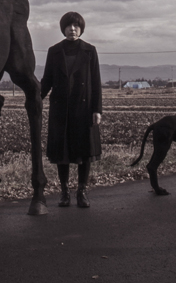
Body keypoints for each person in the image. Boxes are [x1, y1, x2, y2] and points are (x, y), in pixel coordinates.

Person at [41, 12, 102, 208]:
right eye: (68, 26)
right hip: (60, 109)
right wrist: (36, 99)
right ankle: (65, 192)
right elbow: (47, 80)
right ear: (63, 29)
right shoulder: (54, 51)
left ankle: (82, 192)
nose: (72, 29)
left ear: (81, 29)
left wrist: (97, 110)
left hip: (83, 109)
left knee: (84, 153)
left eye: (76, 26)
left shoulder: (90, 51)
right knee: (62, 153)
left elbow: (96, 83)